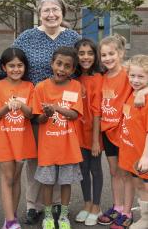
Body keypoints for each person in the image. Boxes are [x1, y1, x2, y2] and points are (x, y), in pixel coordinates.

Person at [13, 0, 81, 225]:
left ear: (62, 13)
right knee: (36, 160)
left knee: (60, 157)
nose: (51, 14)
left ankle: (59, 207)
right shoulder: (26, 37)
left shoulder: (72, 36)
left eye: (55, 10)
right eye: (46, 10)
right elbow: (11, 64)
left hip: (64, 106)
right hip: (36, 105)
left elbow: (86, 63)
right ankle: (34, 205)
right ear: (39, 14)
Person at [0, 48, 37, 229]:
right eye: (11, 65)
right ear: (3, 67)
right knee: (6, 179)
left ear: (25, 67)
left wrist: (21, 105)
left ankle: (11, 217)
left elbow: (31, 115)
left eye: (20, 65)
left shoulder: (29, 87)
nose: (16, 69)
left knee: (16, 179)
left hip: (21, 140)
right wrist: (6, 108)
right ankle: (10, 221)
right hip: (2, 141)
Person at [33, 47, 83, 229]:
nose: (62, 69)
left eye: (67, 66)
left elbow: (74, 114)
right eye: (58, 64)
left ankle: (63, 216)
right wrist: (46, 114)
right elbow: (38, 119)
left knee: (66, 182)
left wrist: (55, 108)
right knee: (47, 183)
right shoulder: (41, 87)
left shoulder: (75, 86)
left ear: (73, 69)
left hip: (68, 146)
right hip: (48, 147)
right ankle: (47, 216)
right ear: (52, 64)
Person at [97, 35, 136, 229]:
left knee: (126, 173)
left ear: (120, 53)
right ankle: (118, 206)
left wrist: (144, 93)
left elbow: (144, 83)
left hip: (125, 132)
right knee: (114, 172)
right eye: (103, 55)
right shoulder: (103, 78)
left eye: (111, 53)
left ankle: (127, 212)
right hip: (108, 131)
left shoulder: (129, 74)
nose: (107, 58)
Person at [74, 38, 103, 226]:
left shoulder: (98, 78)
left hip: (93, 133)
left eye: (90, 53)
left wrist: (95, 141)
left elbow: (96, 112)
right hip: (77, 133)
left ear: (95, 55)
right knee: (82, 169)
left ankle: (97, 206)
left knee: (95, 169)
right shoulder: (73, 78)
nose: (86, 57)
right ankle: (86, 204)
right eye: (81, 53)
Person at [119, 54, 148, 229]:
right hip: (132, 151)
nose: (135, 80)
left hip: (143, 154)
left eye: (141, 77)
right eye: (132, 75)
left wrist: (145, 157)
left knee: (145, 187)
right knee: (139, 184)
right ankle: (145, 216)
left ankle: (146, 219)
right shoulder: (133, 92)